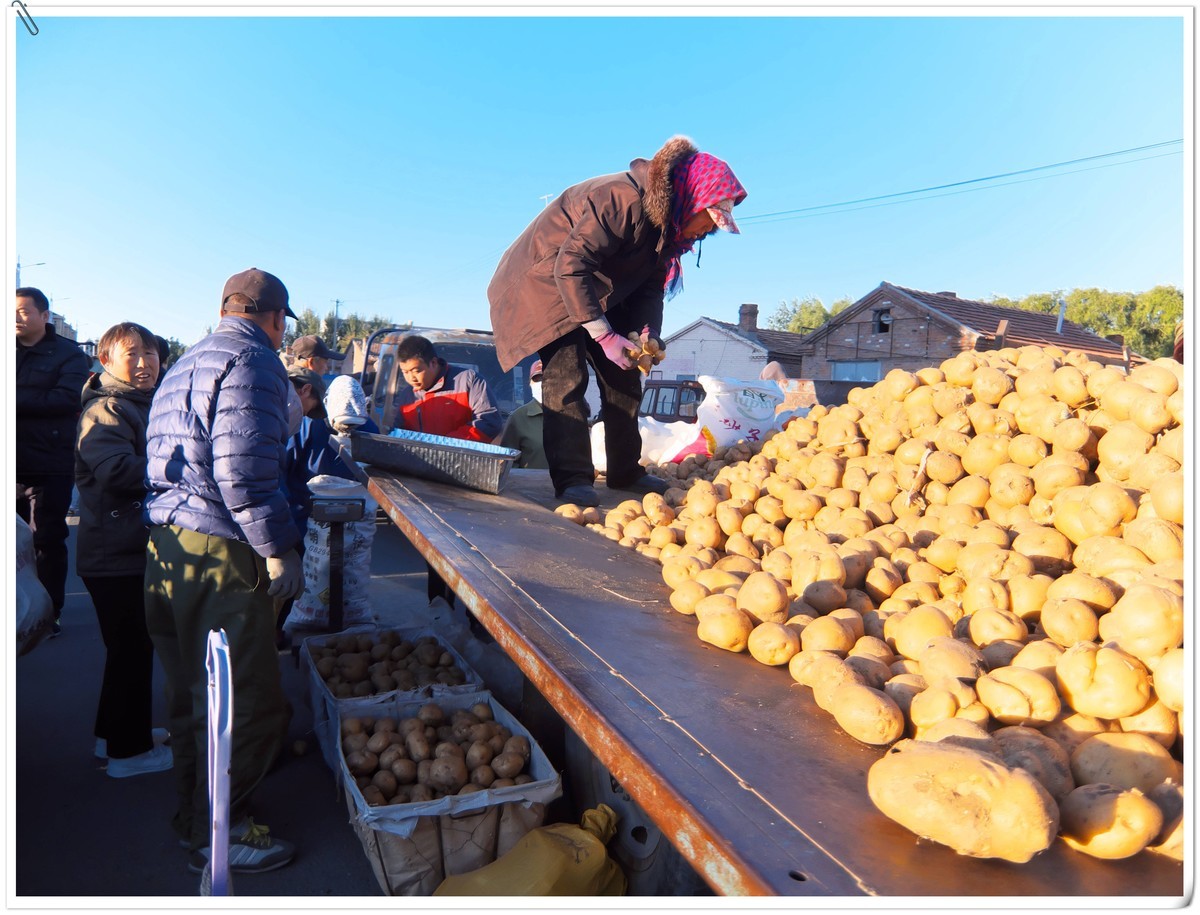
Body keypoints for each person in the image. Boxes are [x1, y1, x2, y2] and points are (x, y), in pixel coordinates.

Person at [143, 267, 303, 875]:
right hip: (218, 551)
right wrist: (277, 547)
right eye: (284, 323)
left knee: (191, 692)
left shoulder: (187, 360)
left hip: (168, 547)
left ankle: (195, 814)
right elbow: (243, 470)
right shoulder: (255, 360)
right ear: (273, 317)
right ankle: (224, 830)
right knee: (242, 698)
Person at [487, 135, 746, 507]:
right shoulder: (620, 200)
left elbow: (650, 289)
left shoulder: (667, 232)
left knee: (625, 376)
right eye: (709, 221)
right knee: (566, 376)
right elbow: (571, 266)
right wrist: (604, 336)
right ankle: (573, 480)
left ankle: (626, 471)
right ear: (692, 200)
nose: (708, 231)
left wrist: (645, 333)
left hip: (596, 287)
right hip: (544, 282)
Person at [75, 321, 172, 778]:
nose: (143, 362)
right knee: (132, 650)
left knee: (127, 650)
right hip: (115, 554)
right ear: (106, 360)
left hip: (124, 549)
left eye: (149, 353)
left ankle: (110, 737)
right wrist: (178, 464)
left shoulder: (136, 404)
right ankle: (128, 755)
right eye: (131, 354)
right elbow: (115, 470)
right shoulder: (108, 408)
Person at [276, 367, 378, 643]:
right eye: (342, 426)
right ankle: (286, 628)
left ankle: (347, 619)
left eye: (352, 426)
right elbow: (281, 472)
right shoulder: (304, 426)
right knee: (298, 580)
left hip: (353, 520)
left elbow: (379, 470)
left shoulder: (369, 430)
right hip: (302, 516)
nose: (347, 432)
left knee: (349, 577)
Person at [15, 286, 92, 636]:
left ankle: (49, 613)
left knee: (45, 539)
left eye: (24, 311)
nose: (16, 317)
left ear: (45, 317)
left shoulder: (69, 355)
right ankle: (16, 610)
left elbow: (63, 400)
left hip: (49, 463)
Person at [383, 334, 502, 442]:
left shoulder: (469, 381)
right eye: (405, 372)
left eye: (416, 371)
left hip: (463, 461)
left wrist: (446, 445)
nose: (411, 378)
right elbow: (398, 433)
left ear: (433, 363)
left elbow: (489, 422)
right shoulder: (407, 396)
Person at [499, 359, 548, 469]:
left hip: (569, 485)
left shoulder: (573, 416)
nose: (543, 383)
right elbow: (507, 465)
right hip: (530, 485)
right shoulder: (518, 418)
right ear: (530, 383)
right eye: (538, 379)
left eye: (549, 378)